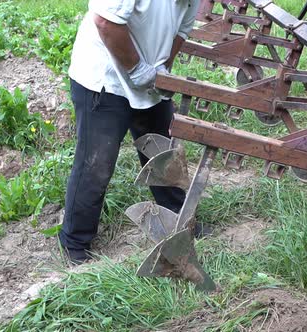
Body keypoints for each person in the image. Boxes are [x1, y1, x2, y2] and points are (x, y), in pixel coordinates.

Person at [59, 0, 202, 264]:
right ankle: (75, 242)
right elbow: (105, 20)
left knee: (162, 150)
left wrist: (162, 68)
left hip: (148, 75)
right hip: (104, 76)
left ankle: (178, 218)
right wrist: (136, 68)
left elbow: (181, 30)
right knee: (96, 165)